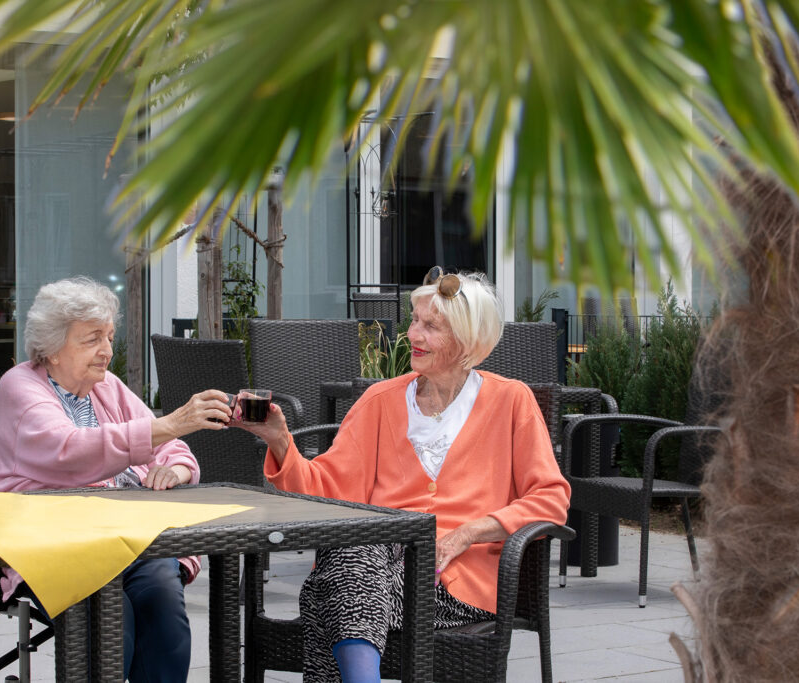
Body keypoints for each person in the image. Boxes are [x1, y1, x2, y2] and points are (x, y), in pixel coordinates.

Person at [234, 268, 570, 683]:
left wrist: (466, 533)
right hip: (374, 569)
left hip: (458, 585)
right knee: (355, 555)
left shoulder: (510, 401)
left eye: (431, 326)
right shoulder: (380, 401)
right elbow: (326, 491)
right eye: (414, 320)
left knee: (328, 588)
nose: (413, 334)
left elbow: (551, 500)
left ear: (466, 340)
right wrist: (281, 442)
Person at [0, 276, 234, 683]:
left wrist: (176, 469)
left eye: (109, 337)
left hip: (125, 539)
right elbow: (69, 451)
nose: (107, 352)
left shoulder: (107, 387)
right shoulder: (20, 385)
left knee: (164, 597)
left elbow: (173, 449)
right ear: (53, 348)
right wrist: (170, 424)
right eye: (93, 338)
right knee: (114, 620)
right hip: (55, 545)